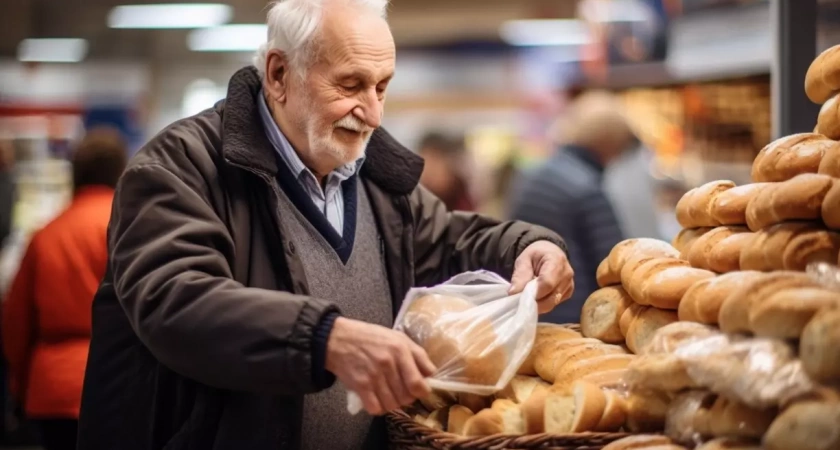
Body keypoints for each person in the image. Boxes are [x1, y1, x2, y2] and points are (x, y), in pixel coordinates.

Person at [77, 1, 575, 449]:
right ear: (278, 74)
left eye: (382, 86)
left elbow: (450, 239)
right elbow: (176, 300)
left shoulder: (371, 177)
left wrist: (527, 246)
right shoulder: (178, 169)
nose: (375, 113)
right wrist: (322, 338)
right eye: (351, 84)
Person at [2, 127, 127, 450]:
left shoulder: (46, 236)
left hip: (52, 390)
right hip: (119, 383)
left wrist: (18, 386)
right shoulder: (131, 229)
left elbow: (15, 324)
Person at [509, 90, 635, 324]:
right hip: (573, 315)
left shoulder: (534, 175)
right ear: (610, 143)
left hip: (531, 308)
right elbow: (615, 264)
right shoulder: (587, 188)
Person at [417, 132, 476, 211]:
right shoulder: (417, 197)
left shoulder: (462, 199)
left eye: (435, 161)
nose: (429, 170)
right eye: (424, 163)